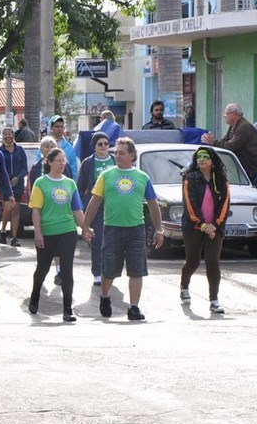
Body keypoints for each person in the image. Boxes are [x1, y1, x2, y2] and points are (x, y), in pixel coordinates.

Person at [82, 137, 165, 321]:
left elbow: (153, 204)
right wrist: (85, 225)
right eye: (116, 152)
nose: (117, 155)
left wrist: (159, 229)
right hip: (112, 229)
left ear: (132, 156)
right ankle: (105, 297)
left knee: (137, 270)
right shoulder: (106, 176)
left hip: (136, 229)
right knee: (109, 269)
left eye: (121, 153)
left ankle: (134, 307)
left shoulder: (142, 177)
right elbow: (95, 201)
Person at [28, 148, 85, 322]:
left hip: (67, 231)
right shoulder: (40, 183)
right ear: (49, 162)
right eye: (58, 160)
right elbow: (36, 210)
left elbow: (77, 210)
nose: (62, 164)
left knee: (67, 270)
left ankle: (67, 309)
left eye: (64, 160)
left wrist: (86, 228)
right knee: (42, 269)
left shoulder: (70, 183)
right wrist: (38, 232)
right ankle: (35, 294)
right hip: (47, 232)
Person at [179, 147, 229, 314]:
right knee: (192, 261)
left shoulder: (221, 179)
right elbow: (189, 204)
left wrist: (215, 224)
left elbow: (225, 203)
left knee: (212, 262)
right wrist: (202, 225)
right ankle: (184, 285)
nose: (201, 160)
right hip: (194, 227)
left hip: (215, 228)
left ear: (212, 160)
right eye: (198, 157)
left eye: (205, 157)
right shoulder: (190, 178)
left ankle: (214, 300)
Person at [76, 132, 116, 286]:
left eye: (106, 143)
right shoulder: (88, 163)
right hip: (96, 207)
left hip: (113, 207)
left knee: (112, 241)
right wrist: (80, 207)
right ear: (94, 146)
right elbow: (80, 187)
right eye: (100, 144)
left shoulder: (114, 159)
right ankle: (97, 273)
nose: (104, 146)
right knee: (97, 240)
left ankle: (109, 270)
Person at [201, 103, 257, 190]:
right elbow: (224, 141)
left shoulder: (244, 127)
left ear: (234, 114)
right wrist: (213, 142)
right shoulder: (233, 127)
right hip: (251, 168)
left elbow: (230, 146)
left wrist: (213, 142)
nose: (224, 116)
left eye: (226, 113)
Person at [0, 126, 28, 246]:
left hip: (18, 184)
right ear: (2, 136)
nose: (8, 136)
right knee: (8, 207)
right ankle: (3, 230)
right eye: (5, 134)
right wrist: (5, 181)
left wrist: (18, 178)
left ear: (14, 136)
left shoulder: (20, 150)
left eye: (10, 134)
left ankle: (14, 237)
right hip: (5, 185)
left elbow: (24, 167)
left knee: (16, 209)